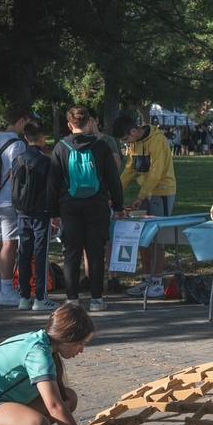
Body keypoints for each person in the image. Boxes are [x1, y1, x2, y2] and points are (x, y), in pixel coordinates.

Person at [47, 107, 125, 312]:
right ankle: (97, 299)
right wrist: (118, 206)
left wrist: (53, 213)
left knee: (71, 252)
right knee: (96, 252)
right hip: (97, 205)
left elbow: (52, 184)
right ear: (89, 123)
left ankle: (72, 299)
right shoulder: (101, 146)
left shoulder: (60, 148)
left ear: (69, 125)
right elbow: (113, 180)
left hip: (69, 205)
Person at [114, 114, 177, 298]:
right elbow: (130, 169)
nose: (127, 143)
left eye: (126, 139)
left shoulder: (157, 141)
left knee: (156, 237)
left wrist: (140, 197)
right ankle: (146, 278)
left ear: (134, 131)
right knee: (142, 235)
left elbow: (156, 174)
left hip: (163, 191)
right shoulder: (134, 143)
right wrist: (114, 192)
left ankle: (157, 281)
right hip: (147, 192)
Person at [0, 103, 32, 306]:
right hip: (8, 201)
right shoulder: (18, 144)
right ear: (22, 120)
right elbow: (16, 175)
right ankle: (6, 291)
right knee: (9, 243)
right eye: (28, 122)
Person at [14, 119, 59, 311]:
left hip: (22, 213)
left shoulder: (18, 160)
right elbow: (52, 191)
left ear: (25, 137)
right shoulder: (47, 162)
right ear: (42, 139)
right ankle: (40, 297)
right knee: (41, 253)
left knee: (24, 253)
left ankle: (24, 296)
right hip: (42, 214)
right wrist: (55, 214)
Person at [79, 109, 125, 293]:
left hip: (104, 195)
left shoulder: (107, 141)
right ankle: (88, 276)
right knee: (86, 240)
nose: (89, 124)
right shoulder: (78, 142)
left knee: (108, 239)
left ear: (96, 120)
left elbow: (116, 167)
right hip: (85, 196)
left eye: (91, 120)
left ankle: (112, 276)